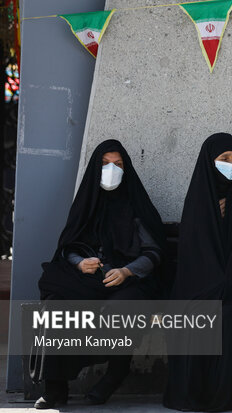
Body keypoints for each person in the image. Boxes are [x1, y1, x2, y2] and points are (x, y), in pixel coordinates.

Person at [35, 139, 166, 409]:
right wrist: (80, 263)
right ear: (95, 168)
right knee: (55, 306)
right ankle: (55, 389)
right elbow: (68, 247)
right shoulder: (87, 206)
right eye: (105, 164)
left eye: (118, 165)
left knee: (124, 307)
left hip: (126, 283)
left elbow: (154, 252)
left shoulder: (135, 208)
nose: (111, 170)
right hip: (87, 279)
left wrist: (128, 271)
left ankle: (115, 374)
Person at [163, 133, 232, 411]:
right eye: (224, 159)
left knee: (230, 314)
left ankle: (231, 395)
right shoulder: (200, 197)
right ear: (210, 162)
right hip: (199, 284)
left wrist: (229, 217)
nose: (231, 165)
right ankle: (195, 395)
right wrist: (216, 219)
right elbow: (193, 256)